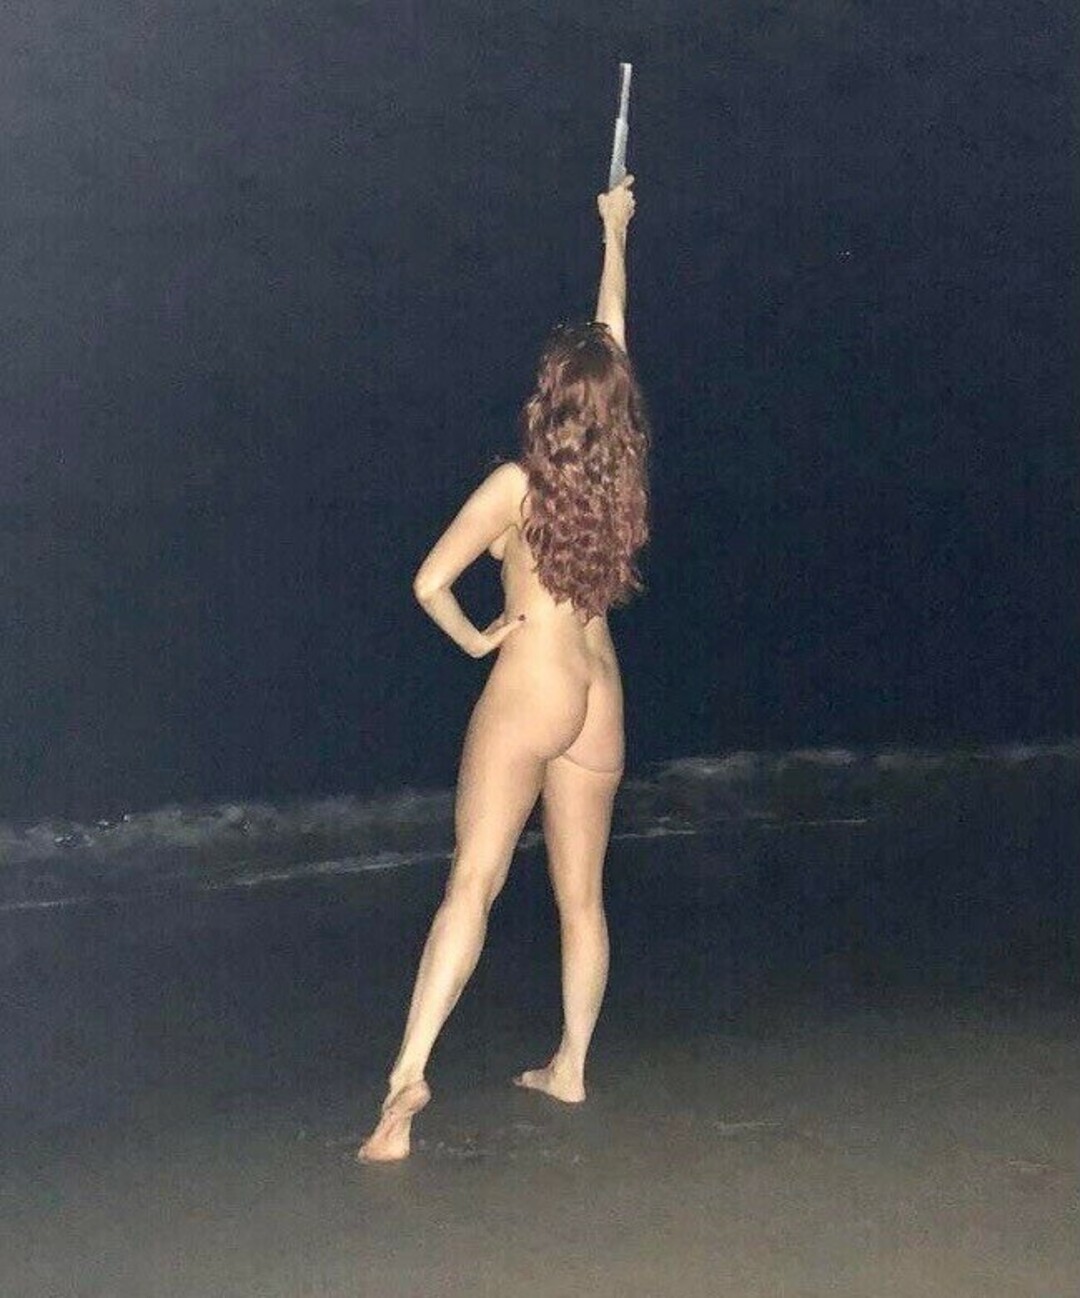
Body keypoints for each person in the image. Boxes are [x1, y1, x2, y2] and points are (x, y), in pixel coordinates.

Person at [358, 175, 647, 1162]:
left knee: (473, 882)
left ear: (546, 399)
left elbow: (427, 582)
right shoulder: (619, 477)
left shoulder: (515, 486)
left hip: (531, 683)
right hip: (600, 692)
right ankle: (571, 1063)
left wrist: (479, 638)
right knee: (583, 897)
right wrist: (615, 232)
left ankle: (406, 1081)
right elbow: (615, 341)